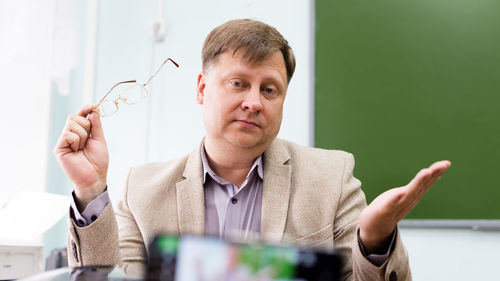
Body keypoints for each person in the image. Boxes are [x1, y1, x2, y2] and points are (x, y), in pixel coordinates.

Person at [54, 19, 450, 281]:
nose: (254, 102)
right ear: (201, 89)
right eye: (238, 83)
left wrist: (375, 239)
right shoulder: (143, 188)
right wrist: (91, 190)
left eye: (269, 89)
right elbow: (105, 276)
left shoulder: (332, 178)